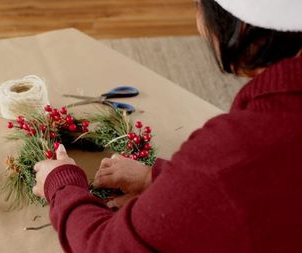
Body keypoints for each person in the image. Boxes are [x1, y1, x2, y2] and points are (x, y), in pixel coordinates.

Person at [32, 0, 302, 252]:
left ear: (242, 26)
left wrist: (60, 184)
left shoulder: (233, 153)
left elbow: (105, 246)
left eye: (199, 5)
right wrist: (159, 178)